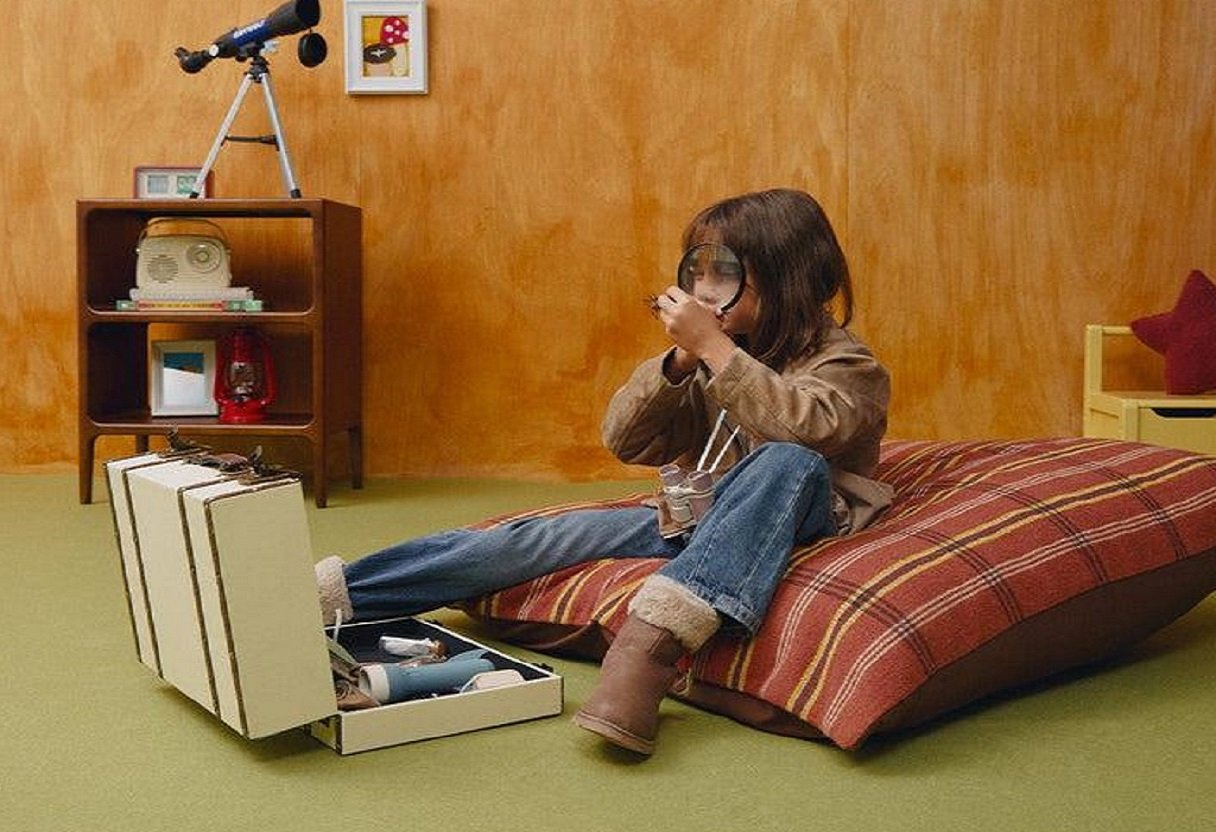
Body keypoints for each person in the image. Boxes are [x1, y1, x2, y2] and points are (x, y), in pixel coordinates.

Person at [315, 187, 892, 756]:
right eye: (698, 270)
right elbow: (626, 439)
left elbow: (809, 430)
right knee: (533, 538)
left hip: (799, 519)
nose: (704, 288)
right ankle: (332, 598)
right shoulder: (717, 354)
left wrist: (717, 350)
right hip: (698, 516)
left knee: (787, 460)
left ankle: (646, 654)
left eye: (725, 272)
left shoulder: (847, 362)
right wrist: (680, 362)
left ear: (787, 277)